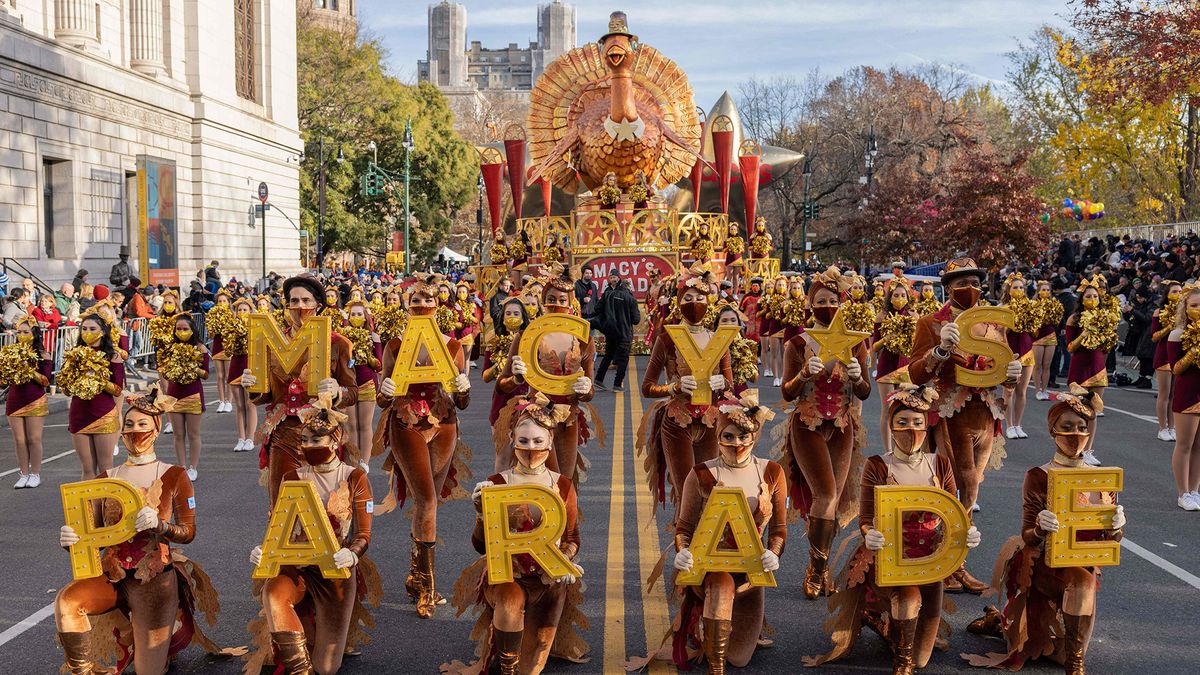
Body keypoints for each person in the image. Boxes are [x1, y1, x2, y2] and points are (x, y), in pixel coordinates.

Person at [805, 384, 982, 674]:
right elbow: (866, 516)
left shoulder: (940, 463)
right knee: (908, 605)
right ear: (891, 425)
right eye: (902, 422)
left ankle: (881, 622)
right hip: (891, 558)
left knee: (924, 657)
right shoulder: (877, 465)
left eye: (917, 422)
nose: (910, 430)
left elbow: (955, 512)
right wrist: (869, 533)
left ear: (927, 426)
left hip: (930, 563)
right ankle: (902, 661)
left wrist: (967, 532)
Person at [55, 384, 231, 674]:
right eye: (129, 424)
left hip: (155, 581)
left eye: (142, 424)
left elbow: (188, 532)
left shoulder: (174, 474)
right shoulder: (106, 477)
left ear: (157, 429)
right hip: (113, 576)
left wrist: (160, 525)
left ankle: (163, 638)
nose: (135, 431)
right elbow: (93, 534)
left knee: (148, 671)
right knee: (68, 600)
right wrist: (71, 540)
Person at [963, 388, 1123, 675]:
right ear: (1053, 431)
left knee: (1061, 647)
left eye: (1082, 427)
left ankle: (1004, 623)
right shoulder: (1039, 475)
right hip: (1045, 566)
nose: (1076, 434)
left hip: (1083, 565)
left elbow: (1108, 542)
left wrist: (1117, 527)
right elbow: (1027, 535)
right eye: (1067, 427)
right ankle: (1011, 627)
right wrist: (1040, 527)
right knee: (1045, 643)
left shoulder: (1102, 479)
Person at [448, 396, 589, 674]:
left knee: (531, 667)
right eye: (523, 441)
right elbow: (480, 546)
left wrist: (565, 561)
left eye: (538, 441)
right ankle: (505, 665)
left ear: (550, 441)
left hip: (548, 580)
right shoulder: (498, 483)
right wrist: (480, 514)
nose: (531, 448)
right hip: (508, 576)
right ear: (512, 439)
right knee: (511, 605)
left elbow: (573, 538)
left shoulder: (562, 485)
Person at [244, 392, 381, 675]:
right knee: (273, 592)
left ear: (335, 440)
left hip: (334, 568)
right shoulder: (292, 477)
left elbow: (364, 533)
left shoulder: (354, 476)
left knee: (328, 667)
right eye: (304, 440)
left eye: (316, 440)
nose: (308, 445)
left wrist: (352, 554)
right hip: (298, 566)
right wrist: (265, 549)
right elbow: (279, 525)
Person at [908, 257, 1021, 594]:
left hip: (985, 414)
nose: (969, 289)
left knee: (971, 491)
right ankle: (947, 563)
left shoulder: (993, 322)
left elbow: (1003, 364)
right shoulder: (930, 323)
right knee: (953, 486)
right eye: (960, 283)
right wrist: (941, 351)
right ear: (948, 288)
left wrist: (1012, 379)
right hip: (947, 413)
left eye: (974, 283)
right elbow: (914, 373)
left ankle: (952, 561)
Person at [649, 393, 784, 674]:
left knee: (740, 658)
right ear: (719, 435)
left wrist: (774, 552)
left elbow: (779, 528)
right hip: (712, 567)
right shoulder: (701, 473)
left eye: (744, 436)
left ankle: (719, 628)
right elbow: (684, 526)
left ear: (755, 436)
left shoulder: (772, 471)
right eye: (730, 436)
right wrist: (683, 551)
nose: (738, 444)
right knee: (721, 589)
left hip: (750, 571)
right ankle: (715, 666)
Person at [375, 273, 473, 619]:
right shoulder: (396, 345)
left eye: (428, 300)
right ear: (407, 305)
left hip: (443, 422)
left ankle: (417, 574)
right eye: (415, 300)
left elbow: (462, 402)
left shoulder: (452, 346)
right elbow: (380, 399)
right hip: (406, 422)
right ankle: (429, 588)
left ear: (438, 304)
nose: (422, 305)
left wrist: (463, 387)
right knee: (427, 499)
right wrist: (384, 392)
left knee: (427, 502)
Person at [778, 266, 871, 600]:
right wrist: (804, 374)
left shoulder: (857, 343)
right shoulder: (798, 343)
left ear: (841, 303)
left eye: (833, 300)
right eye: (821, 300)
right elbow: (787, 393)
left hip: (843, 426)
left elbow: (864, 392)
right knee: (826, 494)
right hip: (807, 424)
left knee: (834, 499)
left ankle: (822, 566)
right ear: (810, 304)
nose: (827, 306)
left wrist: (859, 376)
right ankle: (816, 571)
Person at [238, 274, 360, 504]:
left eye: (305, 301)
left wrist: (337, 392)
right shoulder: (272, 342)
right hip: (284, 433)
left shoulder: (339, 344)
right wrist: (252, 387)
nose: (299, 307)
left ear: (319, 306)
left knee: (326, 505)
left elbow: (352, 392)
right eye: (293, 301)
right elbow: (266, 396)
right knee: (282, 504)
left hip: (322, 433)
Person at [638, 264, 733, 510]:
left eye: (700, 297)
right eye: (688, 298)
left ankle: (705, 546)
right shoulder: (667, 339)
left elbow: (730, 385)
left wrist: (722, 384)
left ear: (709, 301)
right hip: (677, 422)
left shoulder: (718, 338)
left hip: (711, 422)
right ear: (678, 303)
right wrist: (673, 388)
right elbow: (647, 387)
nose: (694, 303)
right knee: (686, 493)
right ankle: (685, 546)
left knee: (709, 491)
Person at [497, 264, 599, 485]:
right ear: (543, 302)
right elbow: (501, 385)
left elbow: (590, 391)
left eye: (563, 300)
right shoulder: (526, 336)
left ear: (571, 303)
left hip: (569, 417)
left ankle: (567, 520)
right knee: (545, 482)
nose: (556, 305)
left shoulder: (583, 339)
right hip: (537, 418)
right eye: (551, 299)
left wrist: (585, 390)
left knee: (565, 483)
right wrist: (516, 378)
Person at [62, 313, 125, 478]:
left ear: (103, 331)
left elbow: (118, 390)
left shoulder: (113, 356)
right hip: (79, 414)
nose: (87, 332)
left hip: (103, 414)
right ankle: (90, 505)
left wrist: (98, 378)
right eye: (84, 328)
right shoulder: (74, 355)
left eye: (92, 328)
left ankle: (106, 504)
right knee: (87, 468)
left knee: (105, 467)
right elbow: (66, 389)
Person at [1064, 276, 1117, 465]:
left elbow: (1107, 346)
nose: (1092, 299)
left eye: (1095, 296)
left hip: (1098, 367)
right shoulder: (1074, 319)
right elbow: (1070, 347)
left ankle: (1088, 451)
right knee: (1076, 412)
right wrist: (1084, 335)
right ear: (1081, 298)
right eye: (1088, 296)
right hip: (1079, 368)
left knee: (1093, 411)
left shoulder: (1105, 318)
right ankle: (1072, 449)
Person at [2, 316, 52, 488]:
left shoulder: (43, 355)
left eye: (26, 332)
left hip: (35, 399)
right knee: (19, 440)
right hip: (15, 400)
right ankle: (23, 474)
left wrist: (28, 369)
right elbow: (4, 379)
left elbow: (46, 381)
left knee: (34, 439)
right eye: (19, 332)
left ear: (34, 333)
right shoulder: (11, 352)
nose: (22, 335)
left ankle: (35, 474)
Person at [160, 313, 208, 481]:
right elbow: (163, 370)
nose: (181, 331)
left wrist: (192, 367)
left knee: (193, 434)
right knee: (178, 435)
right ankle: (181, 467)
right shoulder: (169, 348)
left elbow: (206, 374)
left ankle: (193, 467)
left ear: (192, 330)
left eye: (185, 328)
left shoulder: (200, 348)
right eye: (178, 329)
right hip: (174, 396)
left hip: (193, 395)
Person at [873, 275, 916, 450]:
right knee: (888, 409)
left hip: (906, 367)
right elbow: (875, 346)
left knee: (904, 410)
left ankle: (903, 447)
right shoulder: (882, 316)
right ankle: (888, 450)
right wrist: (887, 339)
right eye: (896, 295)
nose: (899, 299)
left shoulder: (913, 315)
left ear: (908, 297)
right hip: (886, 366)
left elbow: (918, 344)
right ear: (889, 297)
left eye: (903, 295)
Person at [1167, 285, 1200, 510]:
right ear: (1185, 309)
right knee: (1185, 444)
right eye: (1194, 305)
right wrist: (1193, 353)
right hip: (1188, 392)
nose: (1198, 309)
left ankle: (1195, 491)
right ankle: (1182, 493)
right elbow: (1175, 369)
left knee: (1199, 445)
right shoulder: (1177, 334)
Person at [342, 299, 383, 465]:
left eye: (360, 314)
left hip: (367, 382)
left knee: (364, 425)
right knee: (351, 425)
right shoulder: (343, 336)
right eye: (353, 314)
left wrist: (369, 358)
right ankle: (353, 461)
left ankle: (364, 463)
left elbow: (379, 363)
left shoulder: (373, 336)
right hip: (348, 383)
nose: (356, 317)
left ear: (366, 317)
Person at [1002, 273, 1037, 440]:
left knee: (1022, 392)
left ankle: (1018, 424)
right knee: (1008, 391)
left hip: (1027, 351)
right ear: (1009, 289)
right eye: (1015, 287)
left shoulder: (1030, 307)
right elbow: (1001, 333)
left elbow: (1035, 332)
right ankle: (1008, 425)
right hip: (1010, 352)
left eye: (1021, 287)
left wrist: (1029, 320)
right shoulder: (1004, 308)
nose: (1018, 290)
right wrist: (1012, 321)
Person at [595, 271, 641, 392]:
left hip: (611, 331)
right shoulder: (631, 299)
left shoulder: (607, 294)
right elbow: (636, 320)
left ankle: (598, 380)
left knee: (608, 355)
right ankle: (617, 384)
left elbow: (597, 309)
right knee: (623, 358)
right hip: (624, 333)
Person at [1151, 281, 1182, 442]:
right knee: (1164, 394)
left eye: (1180, 292)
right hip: (1163, 355)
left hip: (1178, 356)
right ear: (1167, 294)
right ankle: (1162, 428)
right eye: (1175, 292)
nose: (1178, 294)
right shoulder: (1159, 311)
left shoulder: (1185, 312)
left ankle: (1172, 427)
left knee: (1174, 395)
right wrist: (1169, 327)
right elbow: (1154, 336)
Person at [226, 298, 257, 452]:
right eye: (239, 310)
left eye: (245, 310)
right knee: (239, 405)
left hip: (249, 365)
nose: (242, 313)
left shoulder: (255, 327)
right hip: (235, 364)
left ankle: (251, 438)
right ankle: (241, 438)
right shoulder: (231, 327)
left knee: (250, 403)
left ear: (251, 312)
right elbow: (227, 349)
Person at [1031, 279, 1064, 401]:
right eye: (1043, 290)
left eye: (1048, 290)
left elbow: (1058, 320)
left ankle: (1044, 390)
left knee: (1047, 365)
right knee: (1037, 365)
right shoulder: (1033, 304)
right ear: (1038, 291)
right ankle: (1037, 390)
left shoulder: (1055, 304)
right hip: (1038, 336)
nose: (1046, 292)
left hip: (1050, 335)